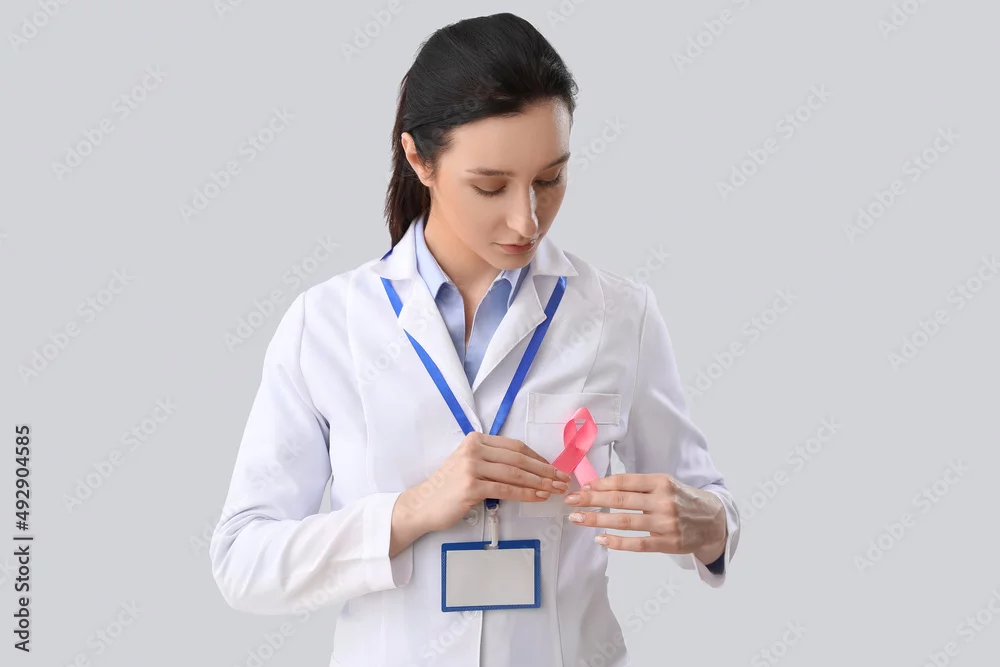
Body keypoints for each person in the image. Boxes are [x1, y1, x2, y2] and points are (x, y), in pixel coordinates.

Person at [209, 12, 740, 667]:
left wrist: (710, 525)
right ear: (419, 159)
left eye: (550, 179)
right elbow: (243, 561)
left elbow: (707, 501)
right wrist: (409, 511)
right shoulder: (325, 324)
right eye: (490, 186)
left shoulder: (618, 315)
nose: (527, 219)